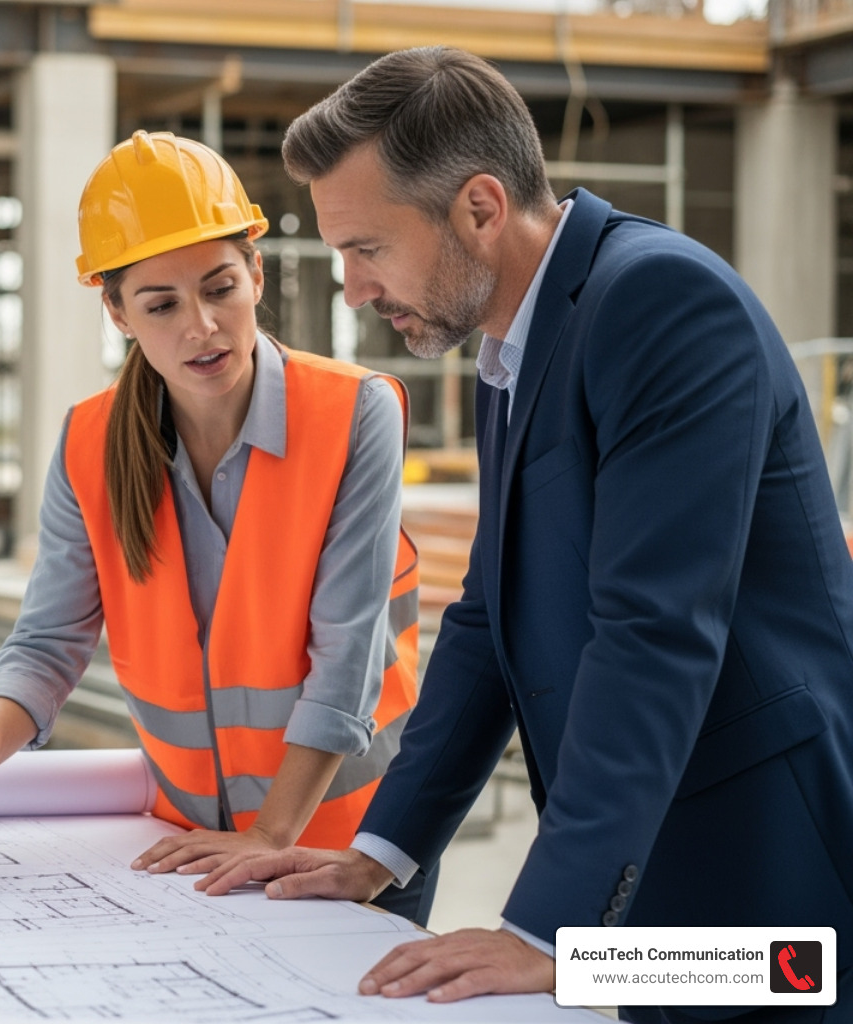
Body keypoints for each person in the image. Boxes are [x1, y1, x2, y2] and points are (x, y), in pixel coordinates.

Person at [199, 47, 853, 1023]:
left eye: (367, 248)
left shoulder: (662, 305)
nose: (349, 288)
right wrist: (377, 853)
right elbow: (488, 622)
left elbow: (654, 633)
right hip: (653, 876)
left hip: (763, 884)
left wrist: (543, 928)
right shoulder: (512, 348)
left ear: (479, 208)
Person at [0, 130, 436, 925]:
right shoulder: (90, 443)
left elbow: (348, 658)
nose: (201, 326)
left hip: (348, 840)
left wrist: (270, 832)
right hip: (195, 843)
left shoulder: (353, 413)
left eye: (220, 287)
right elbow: (49, 638)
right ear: (117, 310)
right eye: (160, 304)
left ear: (257, 273)